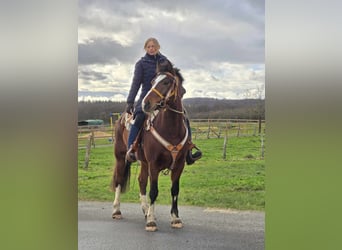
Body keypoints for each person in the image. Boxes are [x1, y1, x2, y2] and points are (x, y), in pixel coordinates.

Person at [125, 37, 201, 164]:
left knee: (184, 117)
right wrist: (130, 101)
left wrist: (179, 89)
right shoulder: (141, 64)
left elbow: (174, 78)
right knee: (139, 117)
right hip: (148, 97)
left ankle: (188, 150)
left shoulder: (165, 62)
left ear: (158, 47)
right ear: (145, 49)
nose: (151, 49)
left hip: (165, 97)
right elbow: (136, 84)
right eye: (148, 47)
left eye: (153, 46)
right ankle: (131, 149)